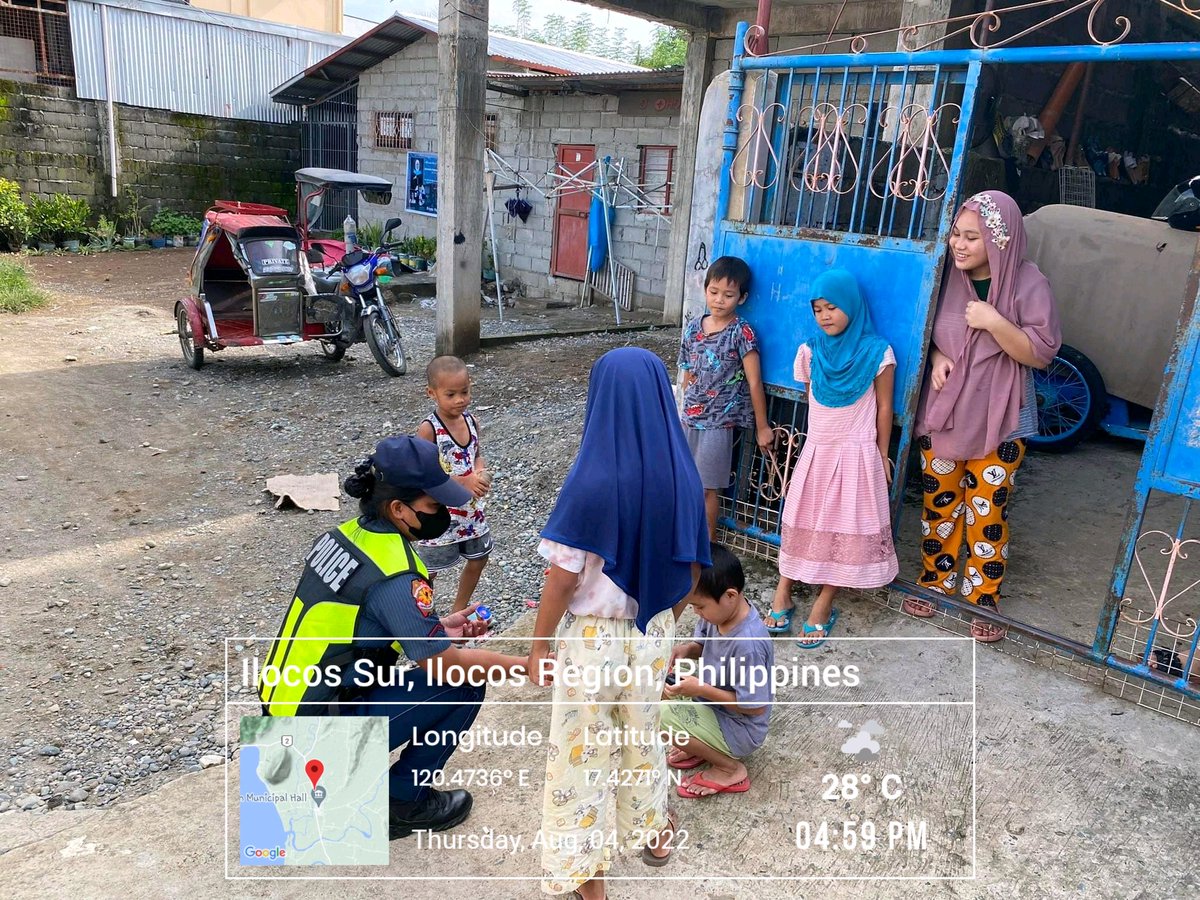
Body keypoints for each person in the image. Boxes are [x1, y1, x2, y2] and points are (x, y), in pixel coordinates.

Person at [257, 435, 527, 839]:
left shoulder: (343, 536)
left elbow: (357, 625)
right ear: (398, 508)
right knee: (465, 683)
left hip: (282, 717)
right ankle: (400, 804)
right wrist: (526, 666)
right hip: (312, 736)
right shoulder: (399, 572)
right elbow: (445, 664)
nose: (445, 514)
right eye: (434, 506)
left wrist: (439, 629)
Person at [529, 347, 711, 900]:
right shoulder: (681, 473)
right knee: (642, 735)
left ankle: (588, 878)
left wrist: (539, 644)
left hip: (592, 638)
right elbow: (693, 565)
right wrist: (663, 621)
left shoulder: (592, 479)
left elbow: (562, 576)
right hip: (654, 631)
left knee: (580, 753)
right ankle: (653, 833)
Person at [907, 191, 1061, 642]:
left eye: (972, 237)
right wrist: (937, 357)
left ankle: (982, 596)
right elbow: (928, 331)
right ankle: (935, 581)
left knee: (987, 509)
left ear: (999, 240)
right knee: (940, 505)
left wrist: (994, 320)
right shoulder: (946, 278)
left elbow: (1039, 354)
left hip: (1003, 418)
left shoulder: (1030, 284)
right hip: (947, 412)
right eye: (956, 233)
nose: (959, 244)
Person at [767, 270, 899, 645]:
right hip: (818, 452)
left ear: (853, 307)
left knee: (846, 528)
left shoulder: (878, 352)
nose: (824, 315)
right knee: (802, 519)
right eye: (817, 309)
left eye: (832, 307)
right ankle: (783, 591)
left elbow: (885, 408)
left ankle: (824, 602)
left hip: (857, 455)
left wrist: (882, 453)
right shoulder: (809, 351)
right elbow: (812, 400)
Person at [661, 545, 773, 798]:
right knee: (653, 685)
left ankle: (729, 768)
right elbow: (703, 646)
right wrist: (686, 649)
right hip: (712, 707)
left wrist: (698, 688)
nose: (697, 613)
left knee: (658, 715)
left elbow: (755, 706)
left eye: (700, 607)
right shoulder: (720, 614)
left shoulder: (749, 645)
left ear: (730, 596)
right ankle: (700, 746)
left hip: (740, 729)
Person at [678, 255, 774, 539]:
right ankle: (682, 537)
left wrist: (762, 426)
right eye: (714, 292)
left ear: (741, 298)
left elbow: (755, 382)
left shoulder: (741, 332)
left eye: (729, 295)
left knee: (707, 488)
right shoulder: (694, 327)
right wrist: (686, 393)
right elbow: (686, 368)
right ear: (705, 289)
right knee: (684, 483)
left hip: (719, 424)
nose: (719, 300)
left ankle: (706, 546)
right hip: (689, 419)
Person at [416, 355, 492, 614]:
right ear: (432, 393)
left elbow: (477, 453)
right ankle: (420, 614)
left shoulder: (472, 422)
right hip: (441, 513)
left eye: (465, 392)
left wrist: (480, 472)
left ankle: (458, 610)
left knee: (479, 557)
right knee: (428, 570)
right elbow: (424, 474)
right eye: (451, 394)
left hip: (471, 511)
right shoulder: (429, 430)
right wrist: (464, 480)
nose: (460, 400)